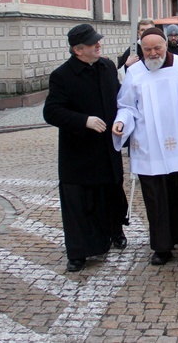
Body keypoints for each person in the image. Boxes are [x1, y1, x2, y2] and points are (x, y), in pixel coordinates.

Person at [43, 23, 128, 272]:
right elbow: (52, 111)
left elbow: (120, 96)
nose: (98, 45)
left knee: (111, 195)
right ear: (78, 50)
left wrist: (123, 119)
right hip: (79, 153)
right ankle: (78, 252)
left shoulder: (107, 67)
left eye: (98, 41)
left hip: (107, 148)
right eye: (93, 44)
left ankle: (115, 232)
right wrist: (83, 121)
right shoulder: (62, 76)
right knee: (79, 204)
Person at [111, 28, 178, 266]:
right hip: (149, 147)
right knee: (155, 200)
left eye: (157, 47)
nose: (152, 53)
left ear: (166, 45)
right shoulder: (134, 72)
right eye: (147, 49)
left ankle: (177, 233)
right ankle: (161, 247)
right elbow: (126, 106)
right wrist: (120, 123)